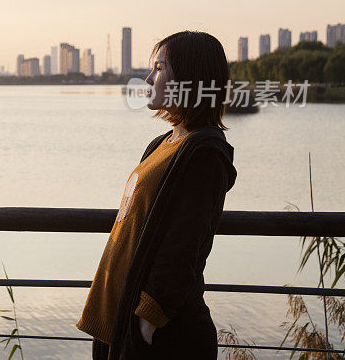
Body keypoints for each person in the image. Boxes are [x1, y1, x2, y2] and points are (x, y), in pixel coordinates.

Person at [76, 30, 238, 359]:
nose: (149, 78)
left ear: (191, 79)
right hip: (127, 320)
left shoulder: (204, 151)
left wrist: (147, 319)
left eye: (160, 67)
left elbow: (186, 242)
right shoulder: (162, 144)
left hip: (164, 334)